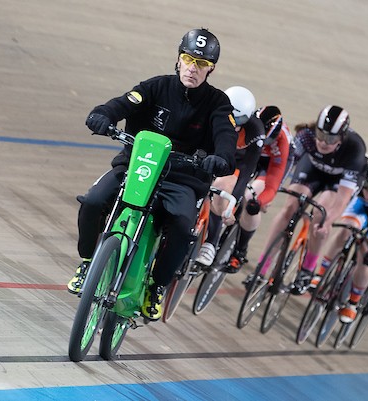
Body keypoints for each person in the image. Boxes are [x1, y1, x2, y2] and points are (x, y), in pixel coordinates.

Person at [67, 28, 237, 322]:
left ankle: (156, 286)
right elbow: (121, 104)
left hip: (181, 179)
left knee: (183, 230)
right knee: (93, 201)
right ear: (178, 59)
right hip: (137, 167)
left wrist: (220, 159)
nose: (192, 68)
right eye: (188, 59)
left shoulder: (218, 103)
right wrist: (102, 115)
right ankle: (86, 263)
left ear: (211, 69)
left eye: (201, 64)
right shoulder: (155, 87)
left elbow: (225, 137)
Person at [253, 105, 368, 295]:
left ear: (341, 138)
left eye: (330, 139)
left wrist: (328, 221)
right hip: (313, 169)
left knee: (319, 216)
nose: (323, 142)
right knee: (290, 206)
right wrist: (270, 193)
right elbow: (284, 166)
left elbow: (342, 199)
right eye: (320, 135)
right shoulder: (306, 136)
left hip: (338, 183)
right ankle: (262, 268)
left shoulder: (354, 149)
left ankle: (307, 270)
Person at [315, 160, 368, 323]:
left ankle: (353, 302)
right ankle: (320, 275)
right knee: (345, 230)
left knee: (366, 254)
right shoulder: (358, 181)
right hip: (360, 209)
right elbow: (342, 200)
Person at [194, 86, 264, 267]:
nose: (232, 123)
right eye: (229, 116)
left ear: (248, 118)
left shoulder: (255, 130)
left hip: (235, 165)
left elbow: (248, 168)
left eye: (238, 119)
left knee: (221, 188)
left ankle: (211, 242)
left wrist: (233, 201)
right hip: (211, 153)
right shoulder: (211, 109)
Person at [224, 105, 295, 273]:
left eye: (267, 141)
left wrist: (261, 201)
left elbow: (272, 183)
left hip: (270, 163)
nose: (263, 142)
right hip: (250, 152)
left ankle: (240, 250)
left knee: (251, 198)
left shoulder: (282, 142)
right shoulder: (250, 123)